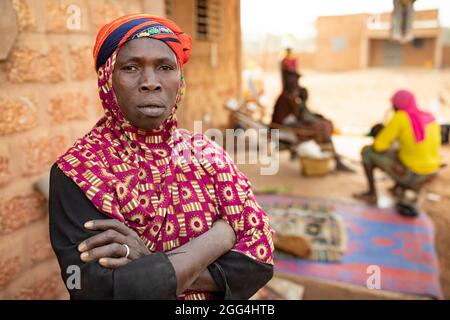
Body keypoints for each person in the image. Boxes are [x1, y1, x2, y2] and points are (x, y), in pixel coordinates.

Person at [49, 14, 274, 300]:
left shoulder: (208, 156)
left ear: (179, 80)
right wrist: (220, 238)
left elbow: (258, 262)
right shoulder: (77, 172)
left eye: (165, 67)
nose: (150, 82)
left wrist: (149, 262)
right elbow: (95, 289)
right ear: (108, 80)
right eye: (131, 67)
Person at [354, 89, 441, 204]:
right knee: (401, 154)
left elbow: (378, 146)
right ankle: (398, 189)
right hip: (432, 172)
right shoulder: (429, 117)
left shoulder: (400, 117)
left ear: (397, 104)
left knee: (367, 152)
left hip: (412, 175)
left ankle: (372, 194)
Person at [271, 70, 353, 171]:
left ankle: (335, 157)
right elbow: (285, 121)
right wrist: (303, 122)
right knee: (322, 128)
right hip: (286, 129)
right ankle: (336, 159)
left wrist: (304, 103)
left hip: (295, 126)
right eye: (294, 82)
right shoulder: (284, 99)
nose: (296, 84)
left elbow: (303, 114)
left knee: (325, 123)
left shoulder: (294, 97)